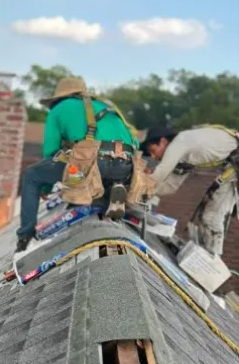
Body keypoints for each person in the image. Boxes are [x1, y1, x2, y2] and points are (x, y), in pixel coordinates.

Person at [16, 77, 140, 253]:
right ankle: (108, 193)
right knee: (92, 167)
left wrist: (45, 185)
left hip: (93, 163)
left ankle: (24, 238)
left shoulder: (58, 109)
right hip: (127, 167)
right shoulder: (106, 106)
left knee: (32, 175)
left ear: (58, 98)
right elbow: (135, 142)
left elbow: (51, 152)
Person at [141, 125, 239, 256]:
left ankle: (212, 261)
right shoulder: (186, 153)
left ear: (163, 141)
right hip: (232, 165)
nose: (154, 157)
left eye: (153, 150)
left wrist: (138, 185)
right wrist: (145, 193)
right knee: (209, 215)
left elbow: (161, 172)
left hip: (235, 164)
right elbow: (171, 186)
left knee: (211, 216)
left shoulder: (179, 142)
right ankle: (208, 257)